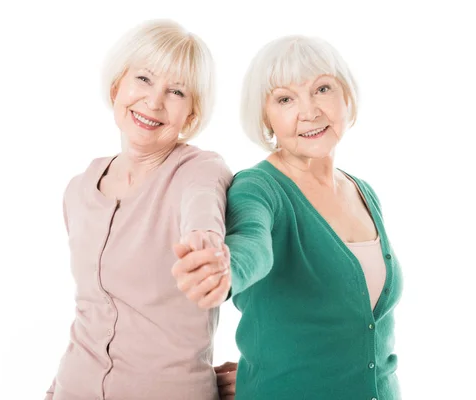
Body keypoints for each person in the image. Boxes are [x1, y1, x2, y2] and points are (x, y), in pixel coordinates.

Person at [172, 34, 404, 400]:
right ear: (265, 117)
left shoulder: (363, 191)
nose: (310, 111)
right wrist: (225, 270)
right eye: (285, 99)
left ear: (346, 96)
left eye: (323, 89)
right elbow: (252, 243)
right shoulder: (259, 187)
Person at [45, 19, 237, 400]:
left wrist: (208, 251)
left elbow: (203, 216)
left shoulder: (199, 171)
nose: (154, 101)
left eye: (176, 91)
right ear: (118, 87)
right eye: (144, 79)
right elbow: (88, 315)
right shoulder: (78, 190)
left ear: (191, 115)